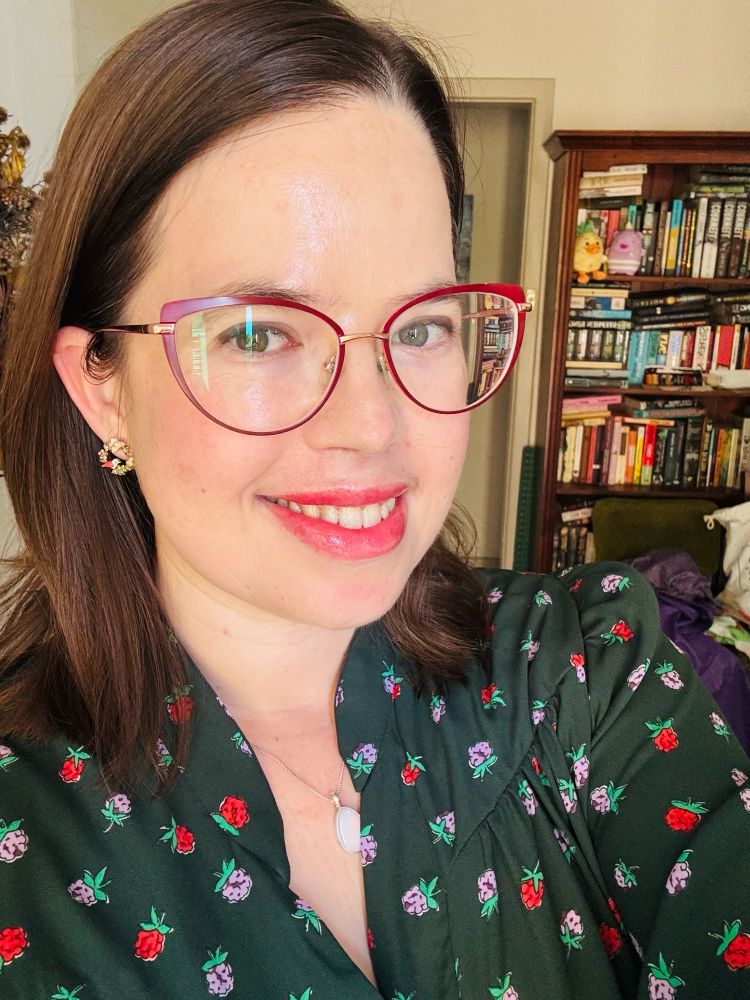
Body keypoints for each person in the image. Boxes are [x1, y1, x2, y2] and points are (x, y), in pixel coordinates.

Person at [0, 1, 748, 997]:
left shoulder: (585, 672)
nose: (372, 423)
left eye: (423, 324)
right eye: (259, 332)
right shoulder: (28, 848)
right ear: (102, 388)